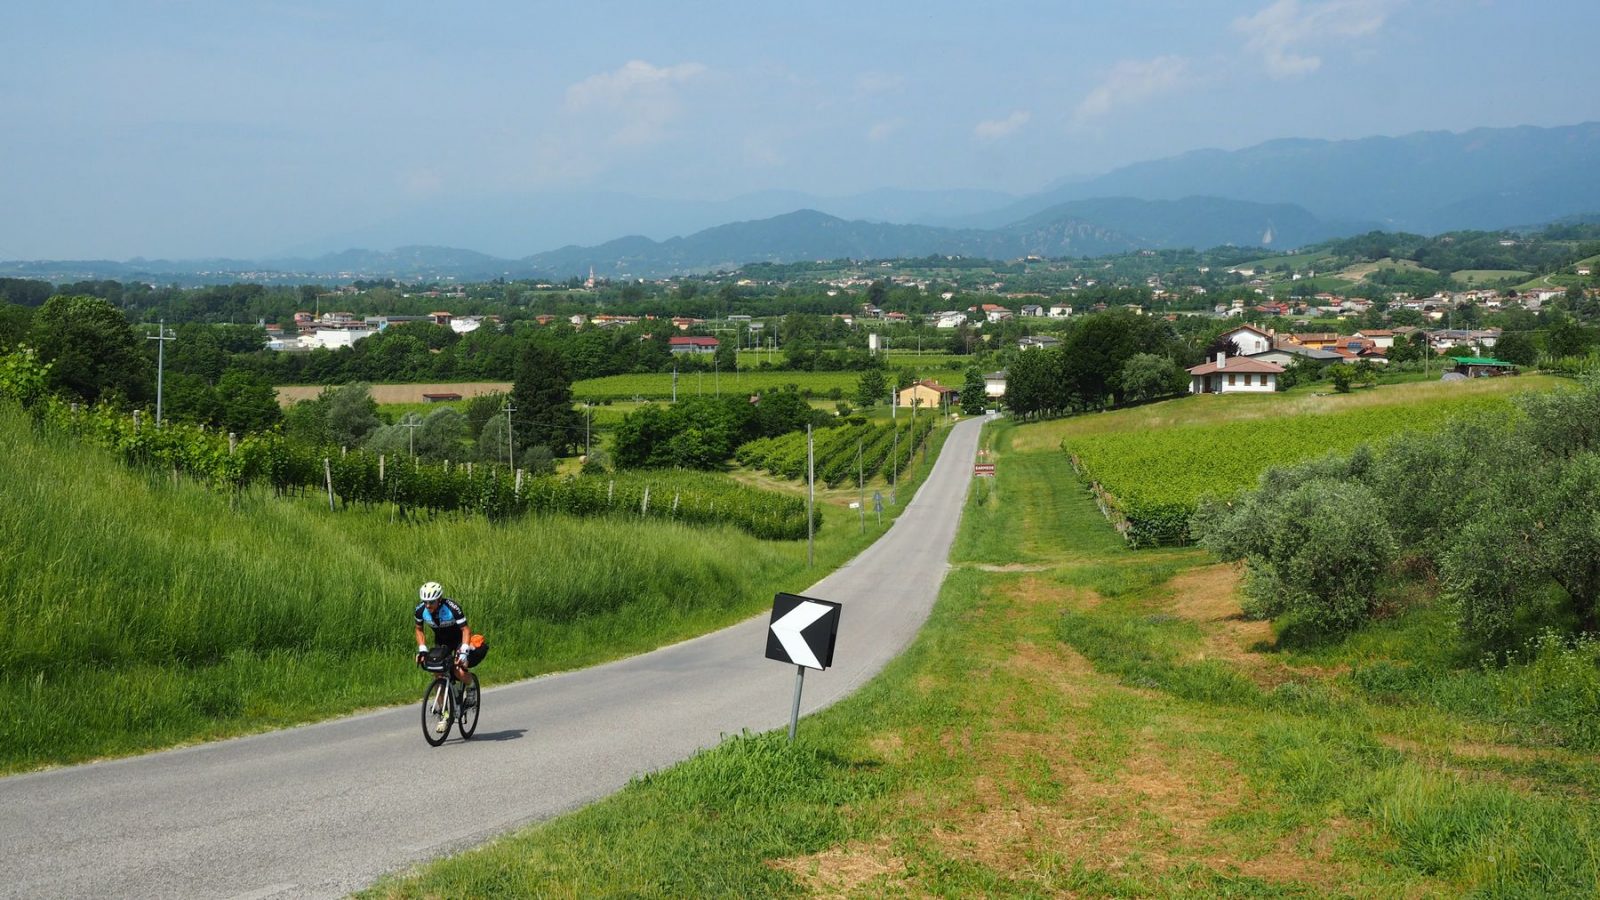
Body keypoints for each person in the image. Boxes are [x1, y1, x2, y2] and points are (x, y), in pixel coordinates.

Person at [413, 581, 474, 732]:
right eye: (425, 602)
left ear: (439, 599)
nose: (428, 605)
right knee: (437, 674)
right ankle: (445, 714)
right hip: (442, 643)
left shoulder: (452, 608)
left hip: (459, 640)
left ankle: (471, 687)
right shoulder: (421, 610)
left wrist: (464, 650)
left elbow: (465, 629)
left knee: (459, 671)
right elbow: (419, 629)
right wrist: (422, 649)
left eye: (431, 602)